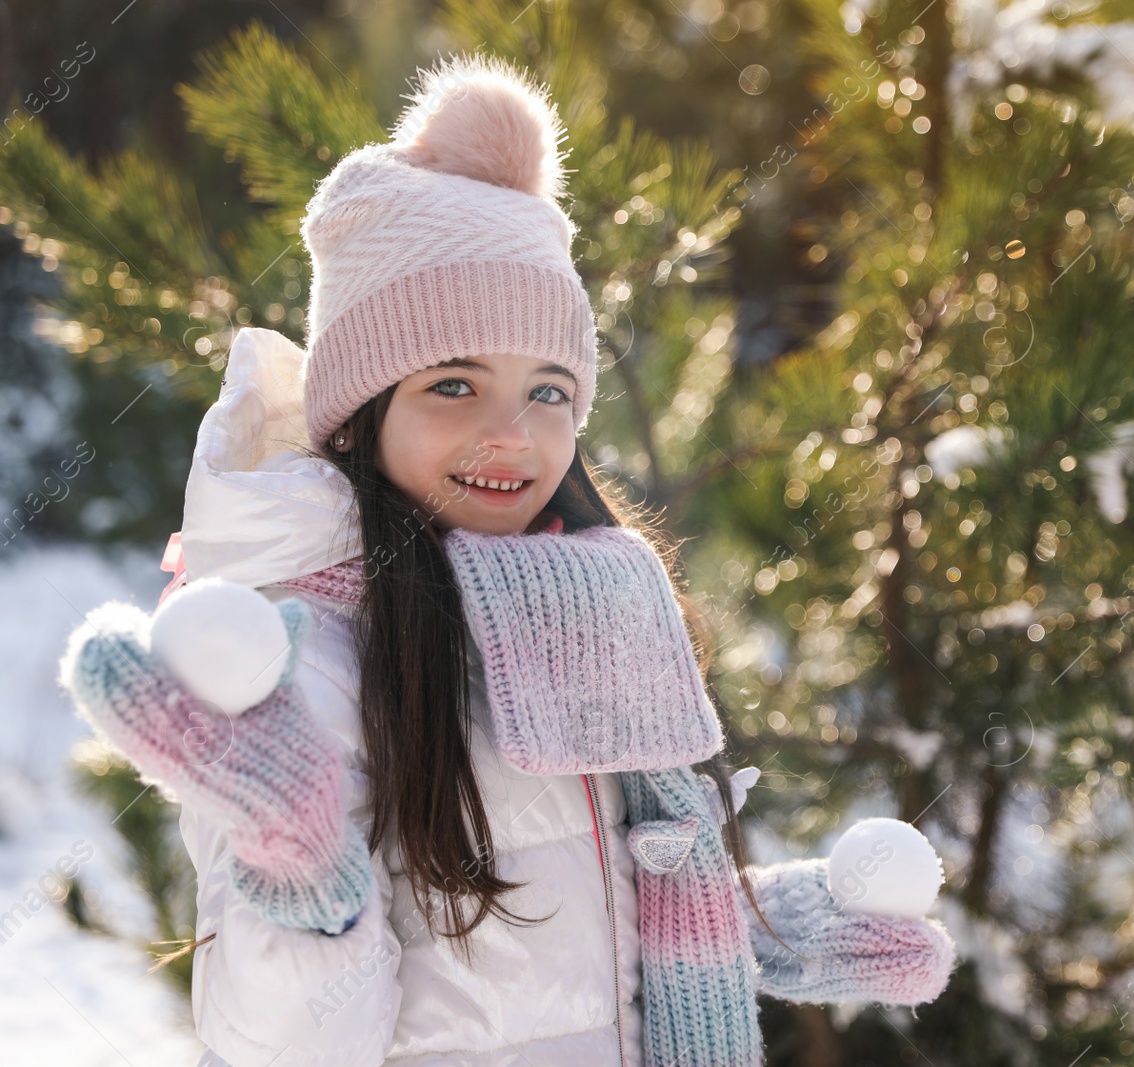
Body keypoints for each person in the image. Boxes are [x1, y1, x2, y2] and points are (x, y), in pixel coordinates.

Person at [55, 50, 955, 1067]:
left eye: (549, 391)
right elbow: (287, 1045)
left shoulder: (585, 602)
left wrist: (770, 921)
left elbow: (582, 903)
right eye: (451, 384)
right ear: (360, 410)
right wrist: (298, 864)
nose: (512, 435)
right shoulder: (309, 653)